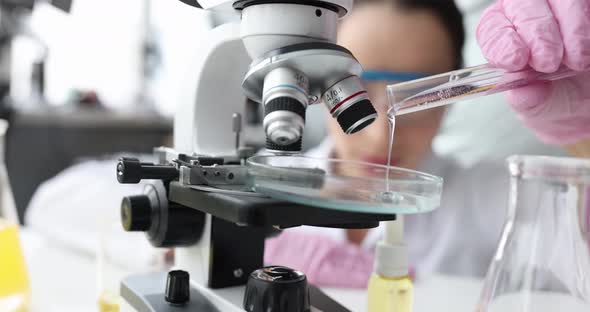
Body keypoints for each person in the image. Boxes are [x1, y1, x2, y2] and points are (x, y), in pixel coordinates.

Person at [264, 0, 590, 288]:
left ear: (451, 99)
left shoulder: (489, 199)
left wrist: (583, 136)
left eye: (418, 98)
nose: (379, 134)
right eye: (352, 91)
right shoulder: (265, 185)